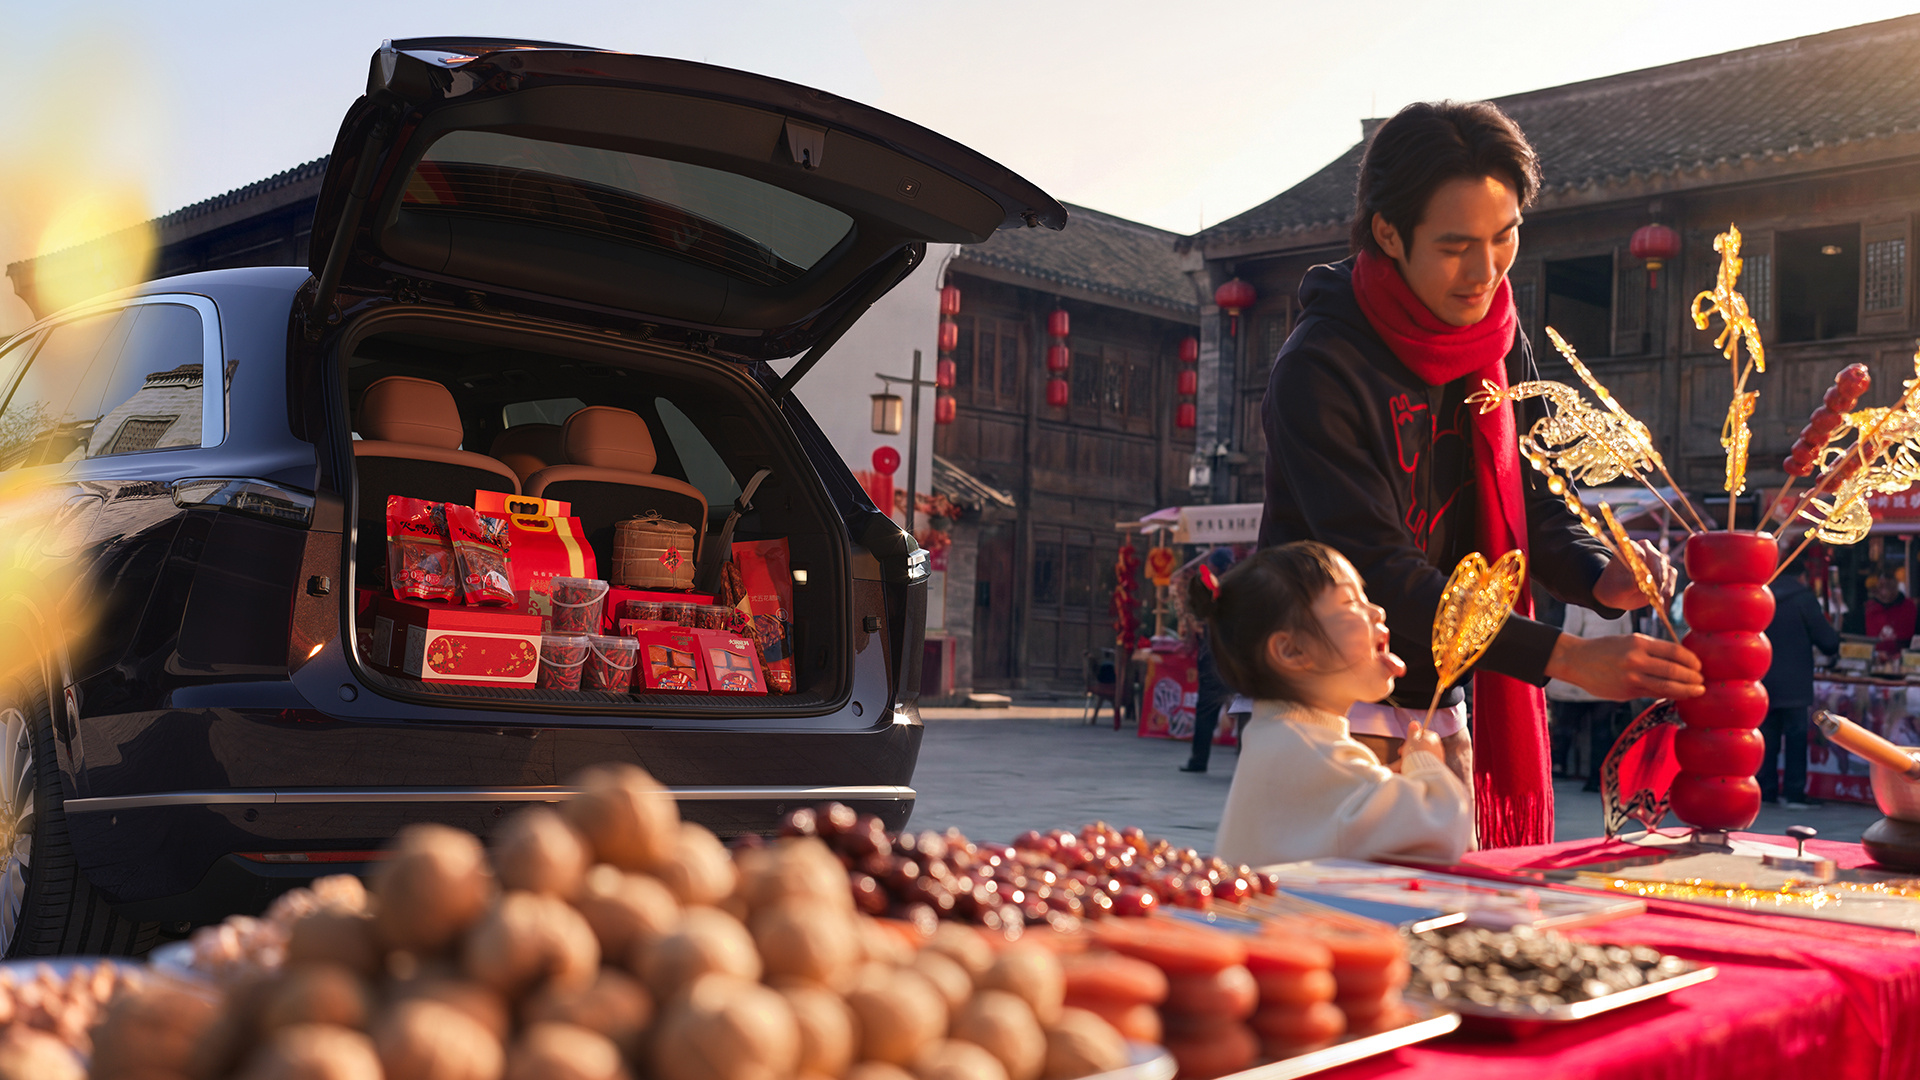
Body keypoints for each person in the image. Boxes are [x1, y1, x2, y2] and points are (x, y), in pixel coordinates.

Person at [1258, 100, 1704, 848]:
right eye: (1456, 246)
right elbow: (1379, 571)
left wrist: (1600, 575)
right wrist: (1567, 658)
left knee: (1457, 914)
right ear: (1388, 233)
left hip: (1444, 710)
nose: (1485, 271)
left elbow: (1534, 500)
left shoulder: (1496, 338)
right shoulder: (1320, 367)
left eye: (1505, 238)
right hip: (1330, 713)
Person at [1205, 541, 1473, 866]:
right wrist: (1424, 762)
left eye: (1365, 597)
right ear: (1292, 651)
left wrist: (1382, 781)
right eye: (1350, 602)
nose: (1377, 611)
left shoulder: (1279, 737)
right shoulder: (1311, 749)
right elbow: (1442, 831)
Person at [1763, 555, 1841, 808]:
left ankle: (1765, 791)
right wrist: (1834, 644)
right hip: (1795, 683)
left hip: (1763, 681)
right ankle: (1794, 793)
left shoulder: (1761, 597)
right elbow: (1827, 640)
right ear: (1801, 576)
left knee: (1767, 739)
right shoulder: (1804, 599)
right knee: (1796, 739)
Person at [1543, 604, 1633, 791]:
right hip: (1610, 672)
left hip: (1585, 671)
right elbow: (1628, 636)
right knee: (1602, 729)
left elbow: (1571, 633)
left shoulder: (1578, 599)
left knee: (1567, 724)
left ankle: (1559, 765)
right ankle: (1598, 778)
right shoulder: (1623, 601)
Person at [1865, 574, 1916, 660]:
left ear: (1896, 582)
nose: (1884, 581)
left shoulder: (1910, 607)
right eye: (1881, 579)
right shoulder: (1868, 608)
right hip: (1873, 662)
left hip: (1905, 662)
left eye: (1889, 577)